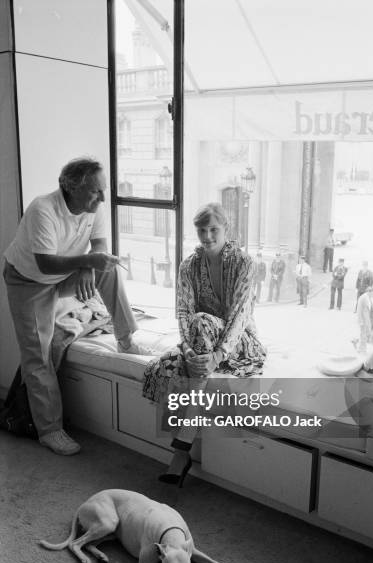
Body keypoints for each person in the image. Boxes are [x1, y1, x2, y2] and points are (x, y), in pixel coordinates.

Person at [3, 157, 143, 456]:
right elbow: (45, 261)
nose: (103, 197)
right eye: (95, 191)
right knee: (37, 356)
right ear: (70, 188)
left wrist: (89, 267)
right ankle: (49, 431)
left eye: (103, 190)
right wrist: (87, 261)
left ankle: (125, 338)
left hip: (63, 275)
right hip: (28, 283)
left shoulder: (95, 206)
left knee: (109, 268)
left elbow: (100, 247)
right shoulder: (43, 209)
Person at [142, 203, 267, 486]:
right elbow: (183, 310)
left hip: (239, 344)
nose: (207, 236)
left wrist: (217, 355)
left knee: (201, 321)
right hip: (200, 344)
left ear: (226, 229)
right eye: (202, 230)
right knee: (163, 366)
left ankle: (181, 450)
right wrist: (187, 350)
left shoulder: (244, 263)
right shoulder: (189, 265)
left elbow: (239, 314)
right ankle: (181, 448)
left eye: (214, 229)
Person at [353, 286, 373, 353]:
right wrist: (360, 321)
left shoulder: (368, 298)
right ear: (369, 292)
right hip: (363, 320)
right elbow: (359, 310)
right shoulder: (363, 298)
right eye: (372, 293)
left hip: (367, 319)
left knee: (366, 334)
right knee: (363, 334)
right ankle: (362, 349)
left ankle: (356, 341)